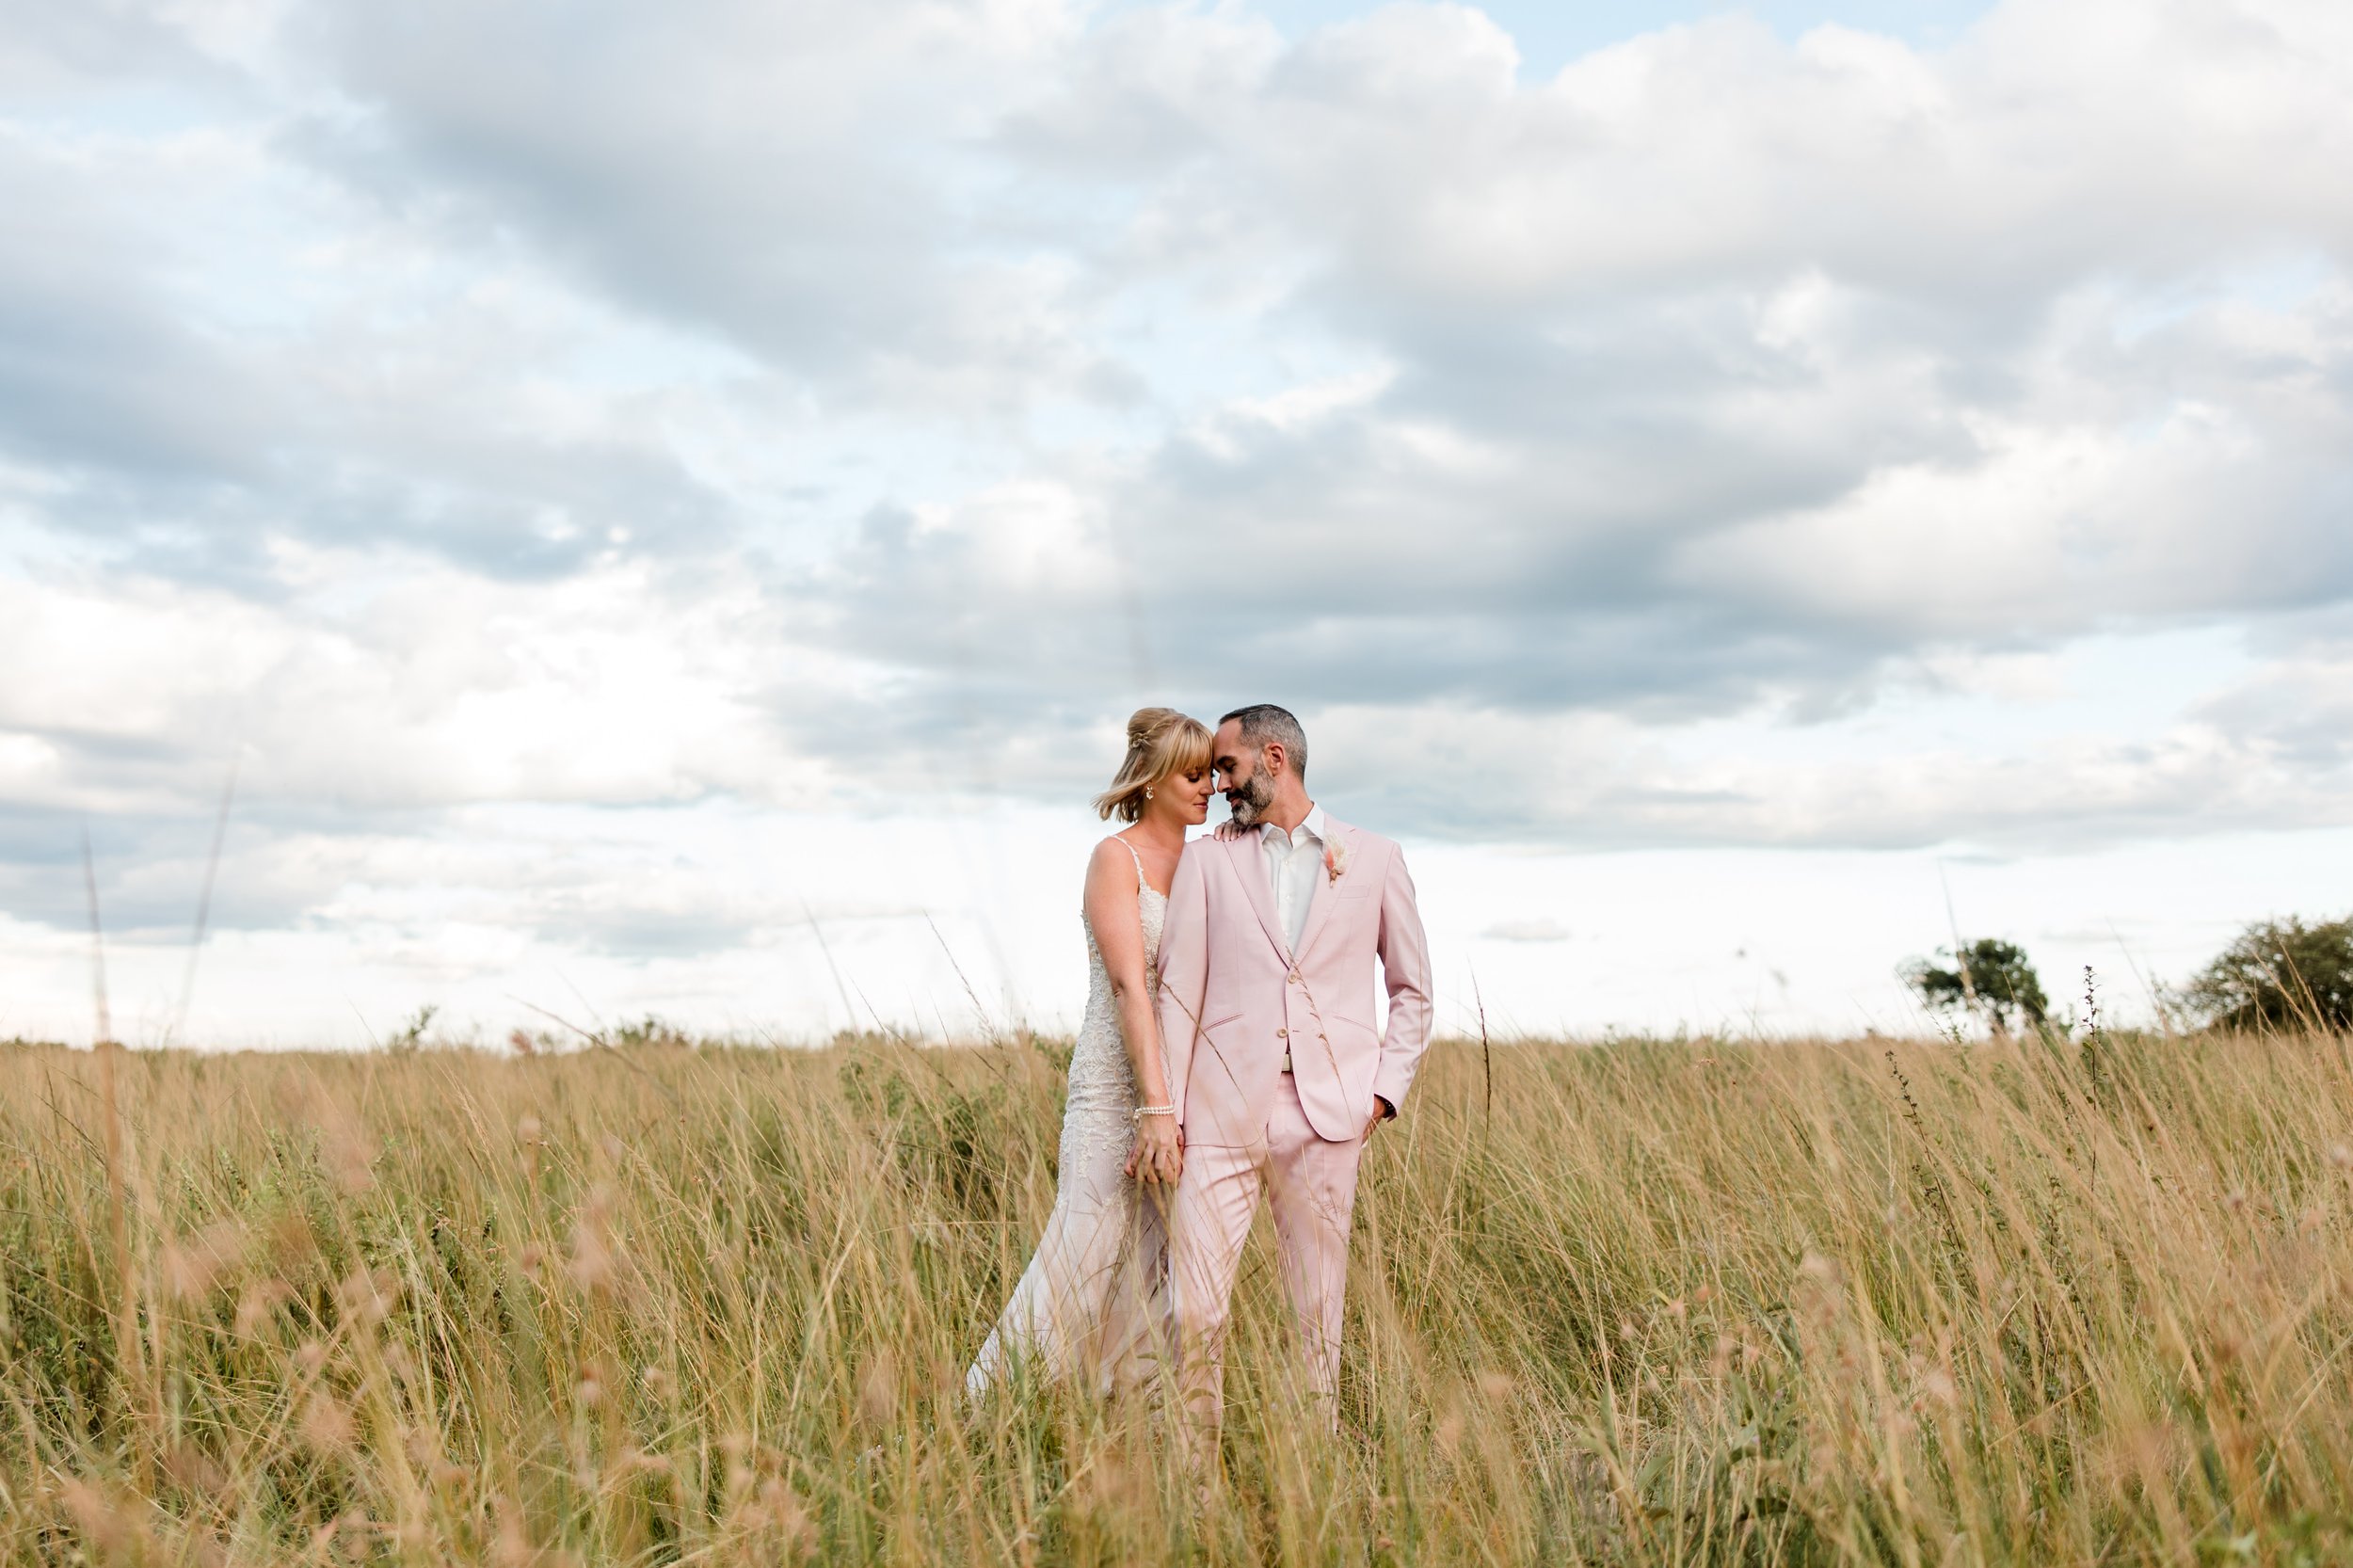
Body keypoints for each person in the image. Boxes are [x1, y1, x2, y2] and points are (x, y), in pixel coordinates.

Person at [1154, 703, 1433, 1451]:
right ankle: (1194, 1481)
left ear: (1275, 758)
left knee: (1316, 1315)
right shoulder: (1208, 860)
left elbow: (1412, 991)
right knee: (1195, 1311)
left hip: (1330, 1116)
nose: (1218, 784)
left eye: (1229, 767)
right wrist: (1170, 1111)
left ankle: (1310, 1479)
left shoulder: (1373, 858)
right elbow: (1179, 987)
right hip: (1217, 1113)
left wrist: (1382, 1093)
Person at [966, 707, 1216, 1397]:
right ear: (1154, 778)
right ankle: (993, 1418)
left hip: (1186, 1097)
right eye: (1193, 775)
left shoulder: (1209, 862)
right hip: (1117, 1092)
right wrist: (1153, 1109)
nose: (1209, 788)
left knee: (1153, 1274)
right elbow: (1130, 986)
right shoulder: (1117, 857)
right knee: (1081, 1259)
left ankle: (1113, 1423)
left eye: (1210, 775)